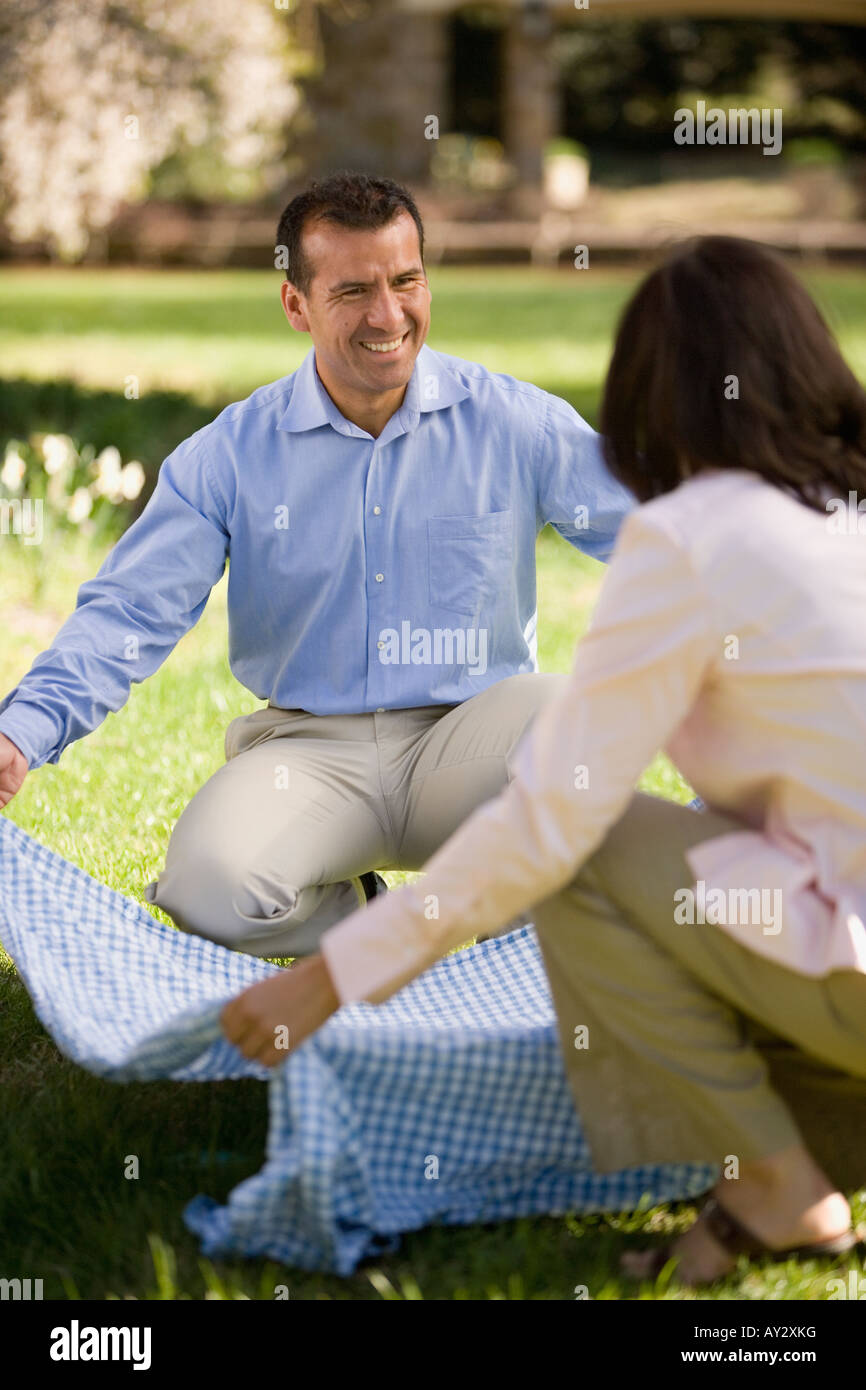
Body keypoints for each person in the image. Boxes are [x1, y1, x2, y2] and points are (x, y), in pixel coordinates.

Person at [222, 235, 866, 1287]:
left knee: (588, 848)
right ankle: (774, 1181)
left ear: (649, 390)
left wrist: (331, 976)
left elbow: (547, 821)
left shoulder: (686, 537)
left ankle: (774, 1184)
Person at [0, 172, 634, 957]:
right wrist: (22, 732)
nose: (388, 315)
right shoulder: (229, 456)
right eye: (354, 291)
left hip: (470, 739)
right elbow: (133, 612)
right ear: (296, 305)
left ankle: (507, 934)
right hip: (308, 755)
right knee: (209, 893)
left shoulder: (514, 423)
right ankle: (381, 925)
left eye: (406, 282)